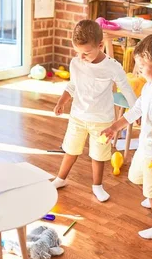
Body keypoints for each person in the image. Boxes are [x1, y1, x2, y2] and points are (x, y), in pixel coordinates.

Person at [102, 34, 152, 239]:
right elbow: (136, 111)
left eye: (141, 66)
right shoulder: (149, 87)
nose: (138, 70)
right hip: (144, 147)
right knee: (135, 177)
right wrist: (116, 126)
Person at [52, 19, 137, 202]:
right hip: (77, 116)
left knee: (99, 155)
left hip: (102, 120)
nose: (82, 57)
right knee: (71, 149)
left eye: (87, 53)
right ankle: (61, 178)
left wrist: (136, 112)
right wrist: (61, 102)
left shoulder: (112, 66)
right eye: (78, 52)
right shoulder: (76, 63)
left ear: (100, 45)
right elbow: (72, 86)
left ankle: (97, 185)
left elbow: (126, 88)